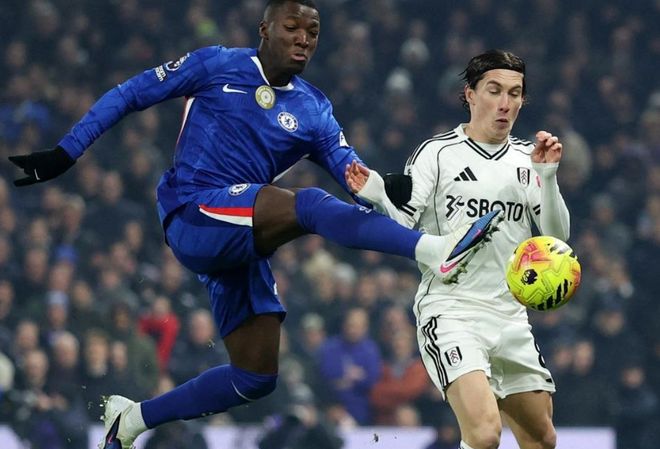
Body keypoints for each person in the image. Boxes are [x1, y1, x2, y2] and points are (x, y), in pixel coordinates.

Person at [9, 2, 502, 448]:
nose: (303, 39)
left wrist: (385, 189)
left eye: (313, 32)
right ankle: (432, 251)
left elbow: (355, 177)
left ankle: (132, 418)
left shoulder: (314, 110)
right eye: (292, 28)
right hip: (193, 210)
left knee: (255, 378)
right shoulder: (217, 64)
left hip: (240, 234)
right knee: (309, 204)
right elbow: (130, 94)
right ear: (264, 30)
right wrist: (66, 152)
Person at [346, 49, 570, 449]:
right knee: (484, 434)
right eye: (494, 90)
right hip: (452, 310)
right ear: (470, 94)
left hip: (510, 315)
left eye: (514, 93)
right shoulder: (437, 154)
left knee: (542, 438)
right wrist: (379, 195)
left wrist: (548, 177)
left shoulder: (528, 158)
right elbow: (403, 229)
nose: (505, 103)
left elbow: (557, 240)